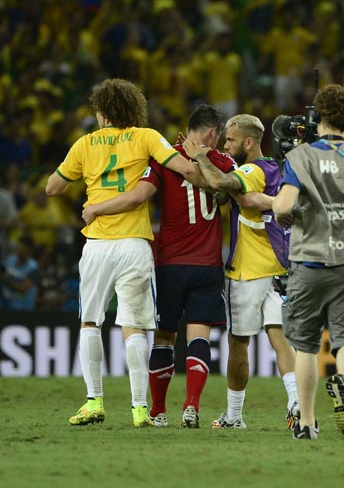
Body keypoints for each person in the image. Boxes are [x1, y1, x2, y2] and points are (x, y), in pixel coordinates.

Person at [45, 78, 203, 429]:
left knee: (91, 321)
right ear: (133, 109)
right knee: (134, 326)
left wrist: (87, 183)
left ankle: (94, 401)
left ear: (101, 112)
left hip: (98, 245)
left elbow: (52, 187)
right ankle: (138, 409)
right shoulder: (146, 137)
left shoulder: (84, 144)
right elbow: (186, 169)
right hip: (134, 244)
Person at [83, 103, 235, 429]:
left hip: (169, 263)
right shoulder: (221, 162)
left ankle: (158, 411)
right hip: (208, 263)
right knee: (199, 338)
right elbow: (227, 188)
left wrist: (97, 208)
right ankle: (192, 405)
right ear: (212, 133)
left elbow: (141, 194)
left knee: (164, 338)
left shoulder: (164, 158)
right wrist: (206, 159)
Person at [271, 84, 344, 440]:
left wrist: (285, 215)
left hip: (308, 262)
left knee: (305, 346)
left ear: (318, 117)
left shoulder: (301, 157)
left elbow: (282, 205)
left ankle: (307, 423)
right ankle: (343, 376)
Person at [183, 114, 299, 430]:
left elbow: (221, 183)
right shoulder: (278, 169)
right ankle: (296, 404)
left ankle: (234, 415)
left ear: (249, 142)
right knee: (280, 339)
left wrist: (200, 157)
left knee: (238, 342)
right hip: (279, 269)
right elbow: (222, 191)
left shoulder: (251, 169)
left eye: (231, 140)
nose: (226, 145)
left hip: (247, 271)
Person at [0, 236, 40, 310]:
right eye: (18, 246)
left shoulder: (33, 267)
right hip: (4, 305)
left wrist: (5, 280)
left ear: (29, 250)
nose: (19, 249)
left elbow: (23, 288)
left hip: (22, 308)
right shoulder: (9, 260)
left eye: (22, 247)